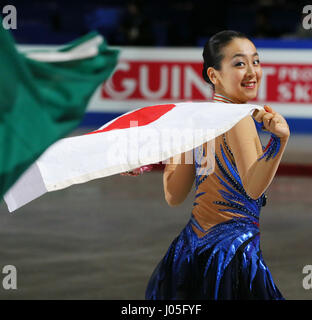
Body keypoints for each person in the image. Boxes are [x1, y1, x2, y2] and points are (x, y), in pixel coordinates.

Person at [124, 30, 290, 299]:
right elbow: (253, 188)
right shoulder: (238, 119)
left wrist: (158, 156)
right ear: (214, 75)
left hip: (190, 251)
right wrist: (279, 141)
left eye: (256, 61)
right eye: (239, 63)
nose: (252, 72)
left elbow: (173, 195)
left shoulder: (196, 121)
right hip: (231, 256)